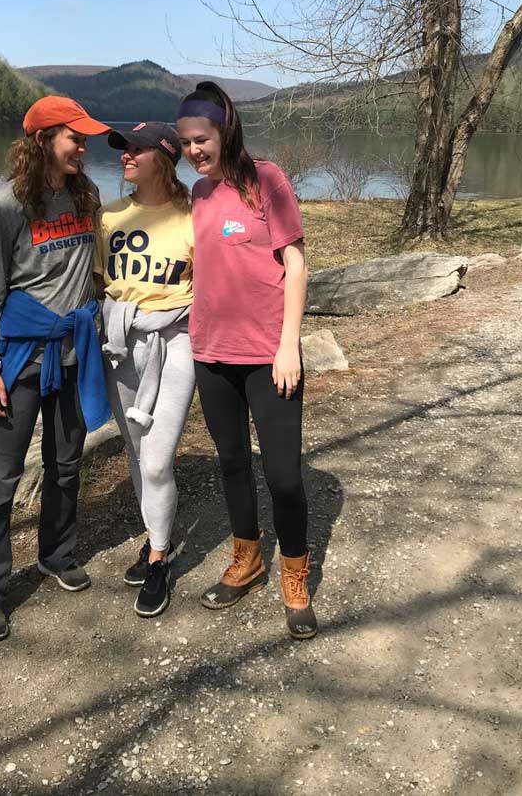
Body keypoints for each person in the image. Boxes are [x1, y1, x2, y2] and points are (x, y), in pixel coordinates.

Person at [0, 95, 112, 643]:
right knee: (1, 480)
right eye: (74, 137)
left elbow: (93, 269)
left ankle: (56, 554)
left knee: (66, 465)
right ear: (43, 140)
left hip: (75, 355)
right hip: (20, 359)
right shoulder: (4, 208)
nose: (83, 145)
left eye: (85, 137)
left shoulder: (86, 196)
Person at [176, 81, 317, 640]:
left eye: (201, 139)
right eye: (186, 142)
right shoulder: (199, 195)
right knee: (231, 463)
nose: (193, 151)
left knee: (283, 476)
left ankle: (295, 575)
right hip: (211, 351)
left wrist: (288, 345)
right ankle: (247, 559)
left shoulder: (267, 180)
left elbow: (296, 265)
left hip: (267, 355)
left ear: (225, 131)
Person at [95, 121, 194, 618]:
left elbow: (215, 285)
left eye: (136, 149)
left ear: (166, 158)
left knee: (156, 461)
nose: (125, 156)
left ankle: (158, 560)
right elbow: (96, 282)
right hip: (120, 344)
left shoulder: (190, 216)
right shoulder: (109, 216)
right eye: (123, 149)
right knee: (137, 457)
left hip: (175, 342)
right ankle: (156, 536)